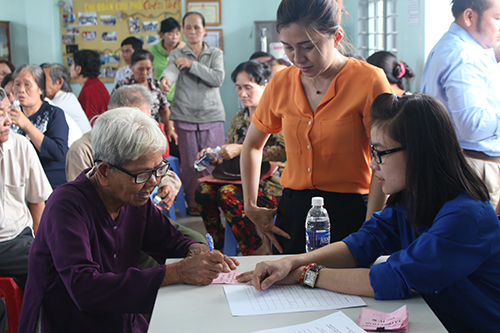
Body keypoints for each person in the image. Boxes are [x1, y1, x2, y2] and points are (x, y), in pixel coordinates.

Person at [239, 93, 500, 332]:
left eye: (380, 153)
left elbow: (392, 278)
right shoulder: (412, 199)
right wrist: (292, 262)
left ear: (419, 152)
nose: (373, 164)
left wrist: (306, 275)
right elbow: (363, 243)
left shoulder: (465, 217)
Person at [18, 107, 239, 333]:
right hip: (70, 324)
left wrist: (197, 249)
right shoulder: (66, 206)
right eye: (142, 174)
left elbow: (170, 240)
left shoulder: (133, 198)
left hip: (123, 320)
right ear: (104, 172)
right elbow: (85, 288)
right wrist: (176, 272)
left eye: (158, 169)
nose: (153, 182)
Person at [240, 0, 392, 254]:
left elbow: (383, 157)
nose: (298, 58)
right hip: (294, 211)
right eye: (288, 47)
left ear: (336, 37)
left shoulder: (368, 80)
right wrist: (250, 205)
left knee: (344, 291)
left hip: (350, 211)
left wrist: (371, 226)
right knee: (288, 290)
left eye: (307, 46)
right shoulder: (281, 82)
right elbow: (253, 146)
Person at [65, 84, 206, 244]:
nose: (143, 129)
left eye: (147, 120)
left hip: (140, 215)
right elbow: (86, 202)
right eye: (135, 122)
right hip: (106, 227)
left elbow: (163, 171)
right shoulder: (82, 150)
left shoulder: (143, 142)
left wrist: (167, 185)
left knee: (195, 242)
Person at [195, 61, 286, 255]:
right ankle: (219, 249)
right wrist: (215, 158)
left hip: (271, 184)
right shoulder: (239, 118)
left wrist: (242, 148)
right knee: (203, 191)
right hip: (241, 179)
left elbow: (284, 150)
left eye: (248, 88)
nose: (242, 93)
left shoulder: (277, 114)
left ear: (265, 86)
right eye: (238, 87)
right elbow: (233, 160)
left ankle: (254, 250)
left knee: (227, 194)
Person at [421, 0, 500, 210]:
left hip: (460, 163)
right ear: (469, 16)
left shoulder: (457, 45)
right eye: (497, 18)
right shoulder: (464, 56)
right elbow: (473, 125)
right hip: (474, 167)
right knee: (475, 238)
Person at [160, 12, 226, 215]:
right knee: (190, 165)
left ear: (204, 30)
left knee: (214, 161)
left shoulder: (215, 53)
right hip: (185, 115)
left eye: (197, 27)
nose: (192, 31)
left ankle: (218, 202)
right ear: (183, 31)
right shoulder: (176, 54)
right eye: (188, 27)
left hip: (211, 115)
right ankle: (194, 204)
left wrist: (192, 65)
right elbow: (171, 69)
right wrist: (165, 79)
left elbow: (217, 79)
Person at [0, 87, 52, 289]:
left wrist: (41, 243)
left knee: (49, 260)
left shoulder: (21, 145)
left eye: (8, 112)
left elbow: (37, 201)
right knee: (51, 262)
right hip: (6, 246)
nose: (7, 121)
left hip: (21, 237)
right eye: (0, 115)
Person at [10, 64, 69, 189]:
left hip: (50, 182)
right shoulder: (10, 114)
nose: (21, 90)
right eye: (17, 84)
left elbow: (57, 153)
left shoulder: (54, 114)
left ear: (41, 89)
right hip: (19, 182)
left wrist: (27, 125)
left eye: (27, 85)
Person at [113, 50, 174, 140]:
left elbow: (164, 110)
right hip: (129, 134)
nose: (145, 73)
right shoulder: (123, 86)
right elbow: (114, 110)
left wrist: (170, 129)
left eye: (148, 69)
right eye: (140, 69)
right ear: (131, 67)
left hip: (153, 134)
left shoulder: (156, 85)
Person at [42, 63, 91, 134]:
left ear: (59, 82)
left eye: (43, 80)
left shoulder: (61, 102)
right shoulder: (67, 97)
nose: (38, 84)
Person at [150, 17, 186, 104]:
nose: (174, 37)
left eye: (177, 34)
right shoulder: (153, 51)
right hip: (159, 97)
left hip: (182, 98)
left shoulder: (185, 50)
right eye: (170, 34)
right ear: (162, 35)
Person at [71, 49, 110, 123]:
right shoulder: (95, 85)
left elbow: (90, 122)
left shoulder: (90, 90)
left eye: (72, 64)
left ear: (78, 69)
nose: (70, 68)